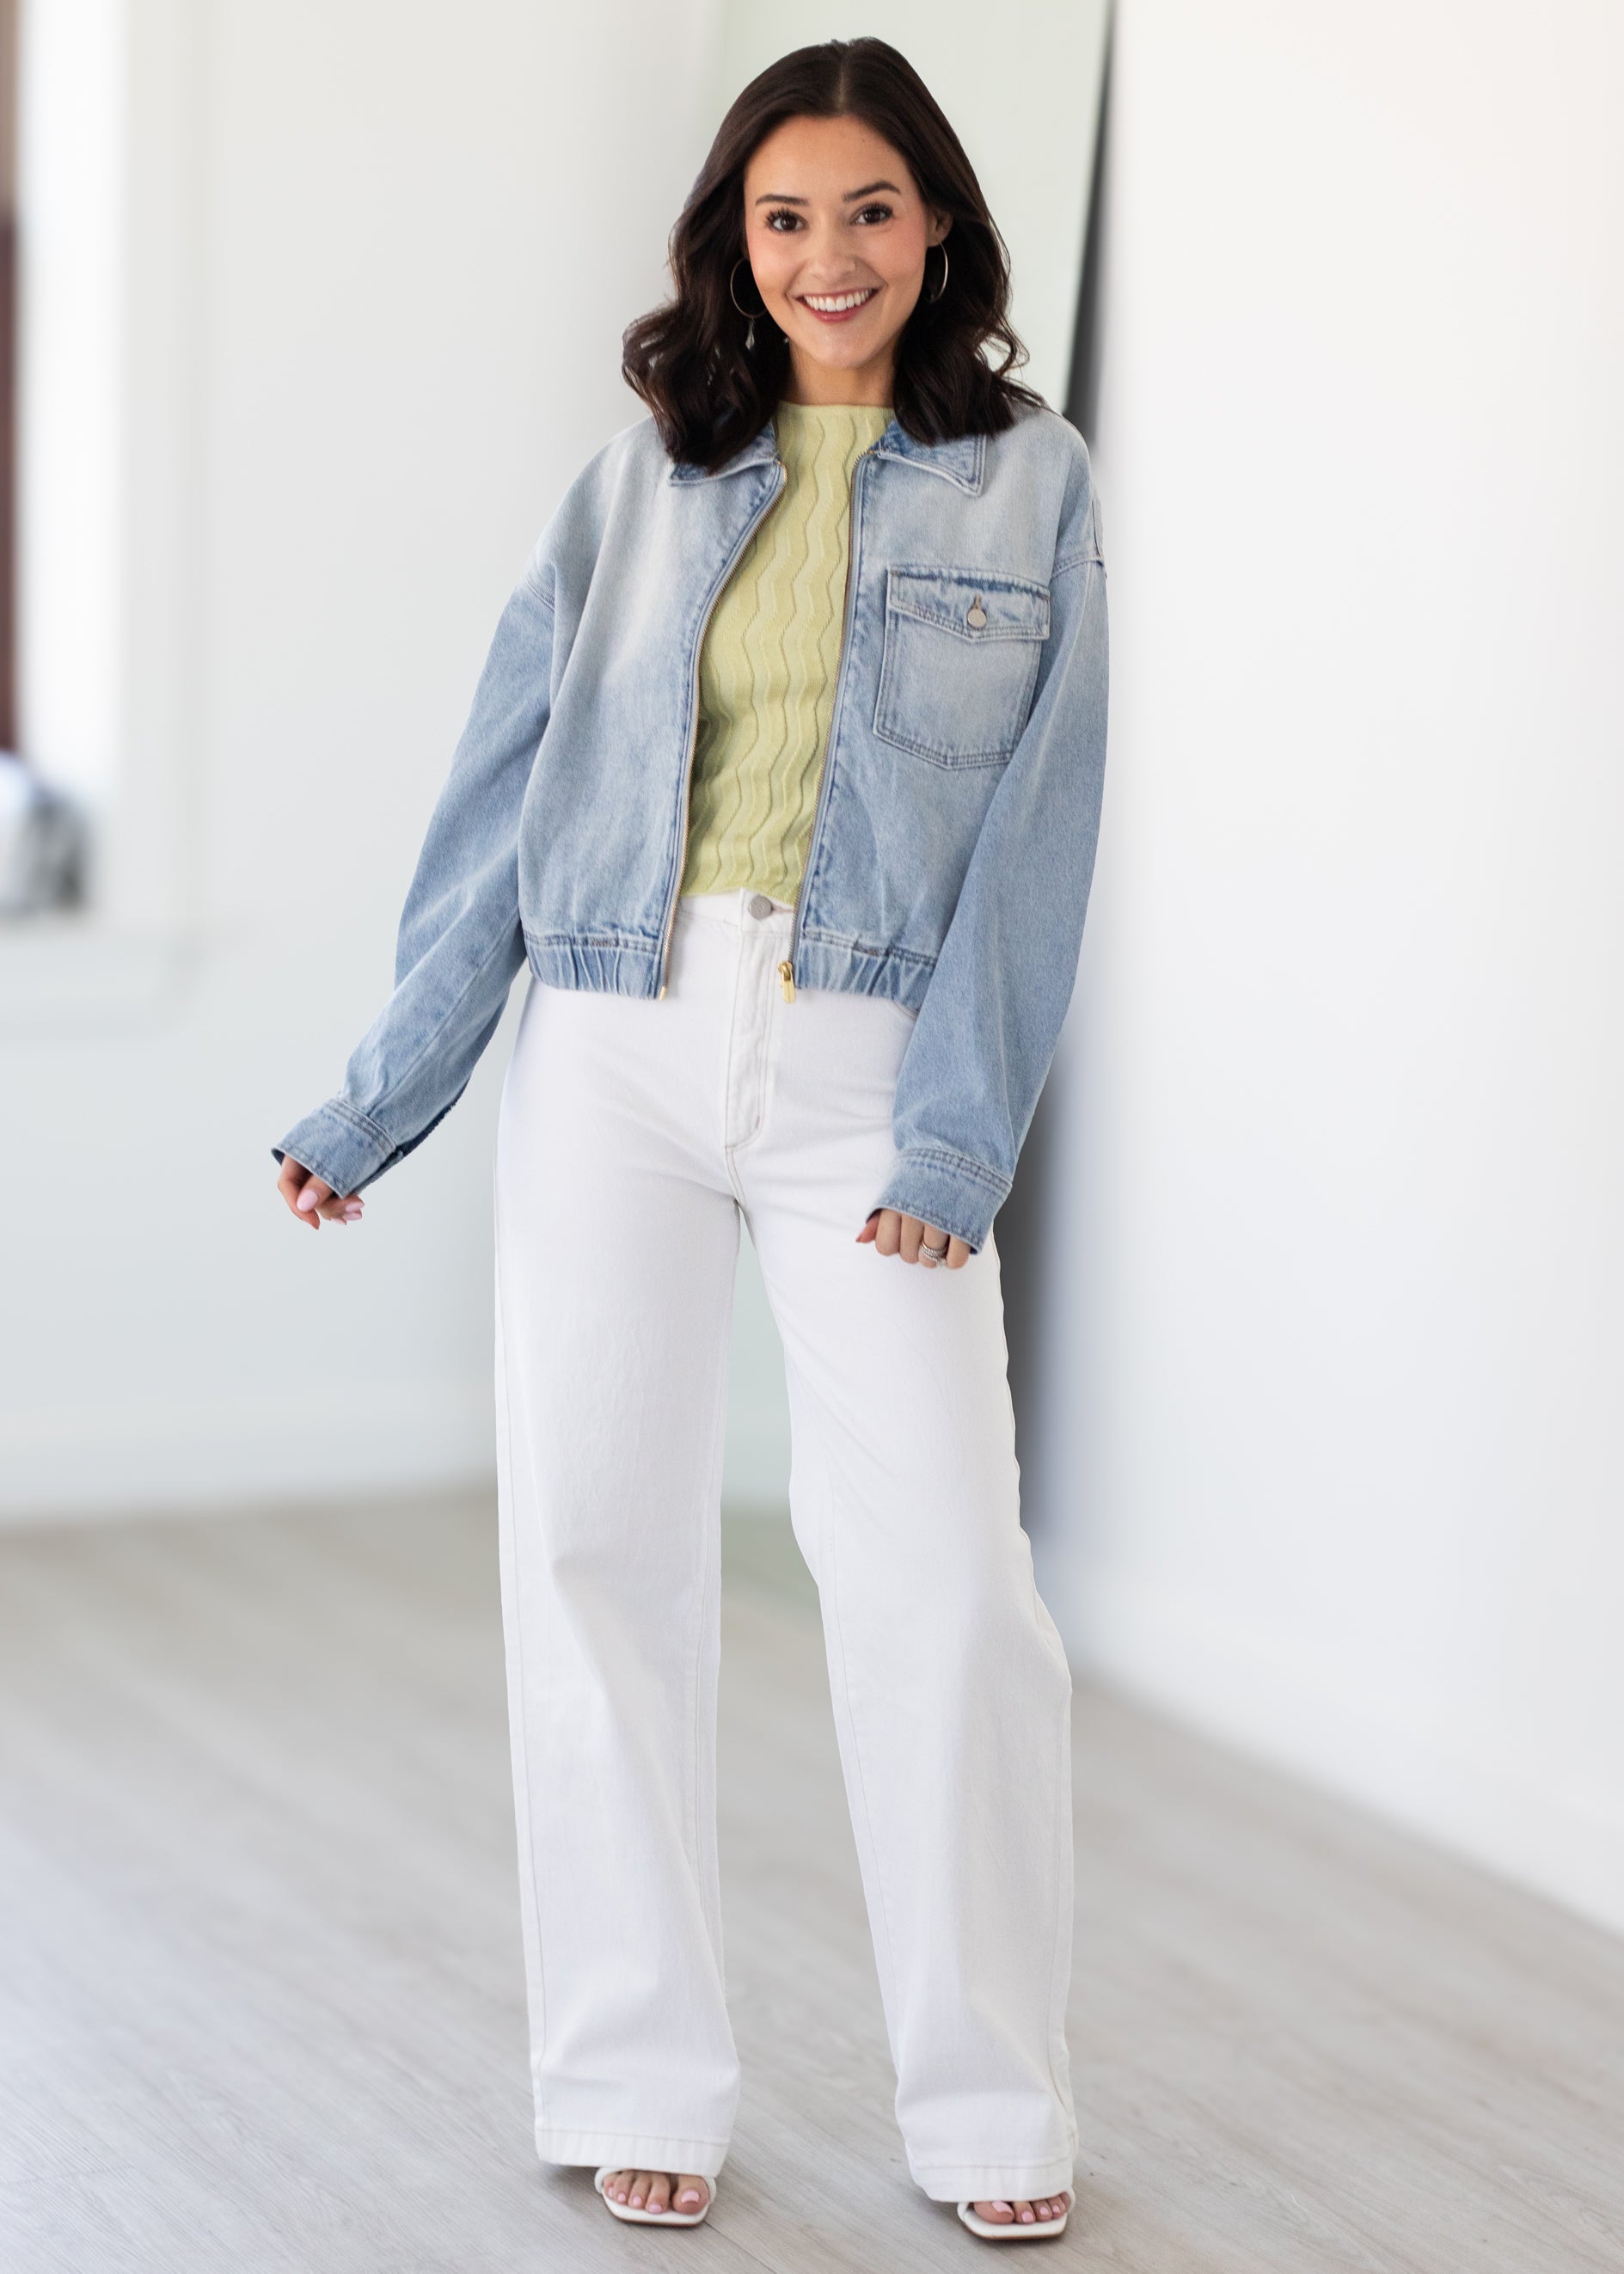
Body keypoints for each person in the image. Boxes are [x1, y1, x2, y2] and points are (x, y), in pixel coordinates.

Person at [273, 35, 1106, 2245]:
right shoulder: (645, 470)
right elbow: (508, 790)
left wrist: (955, 1139)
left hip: (871, 1066)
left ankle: (993, 2112)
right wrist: (388, 1090)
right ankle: (639, 2070)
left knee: (949, 1586)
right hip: (616, 1038)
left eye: (866, 210)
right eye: (782, 216)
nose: (827, 256)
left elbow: (1041, 837)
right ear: (734, 245)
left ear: (937, 228)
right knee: (599, 1556)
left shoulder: (1036, 482)